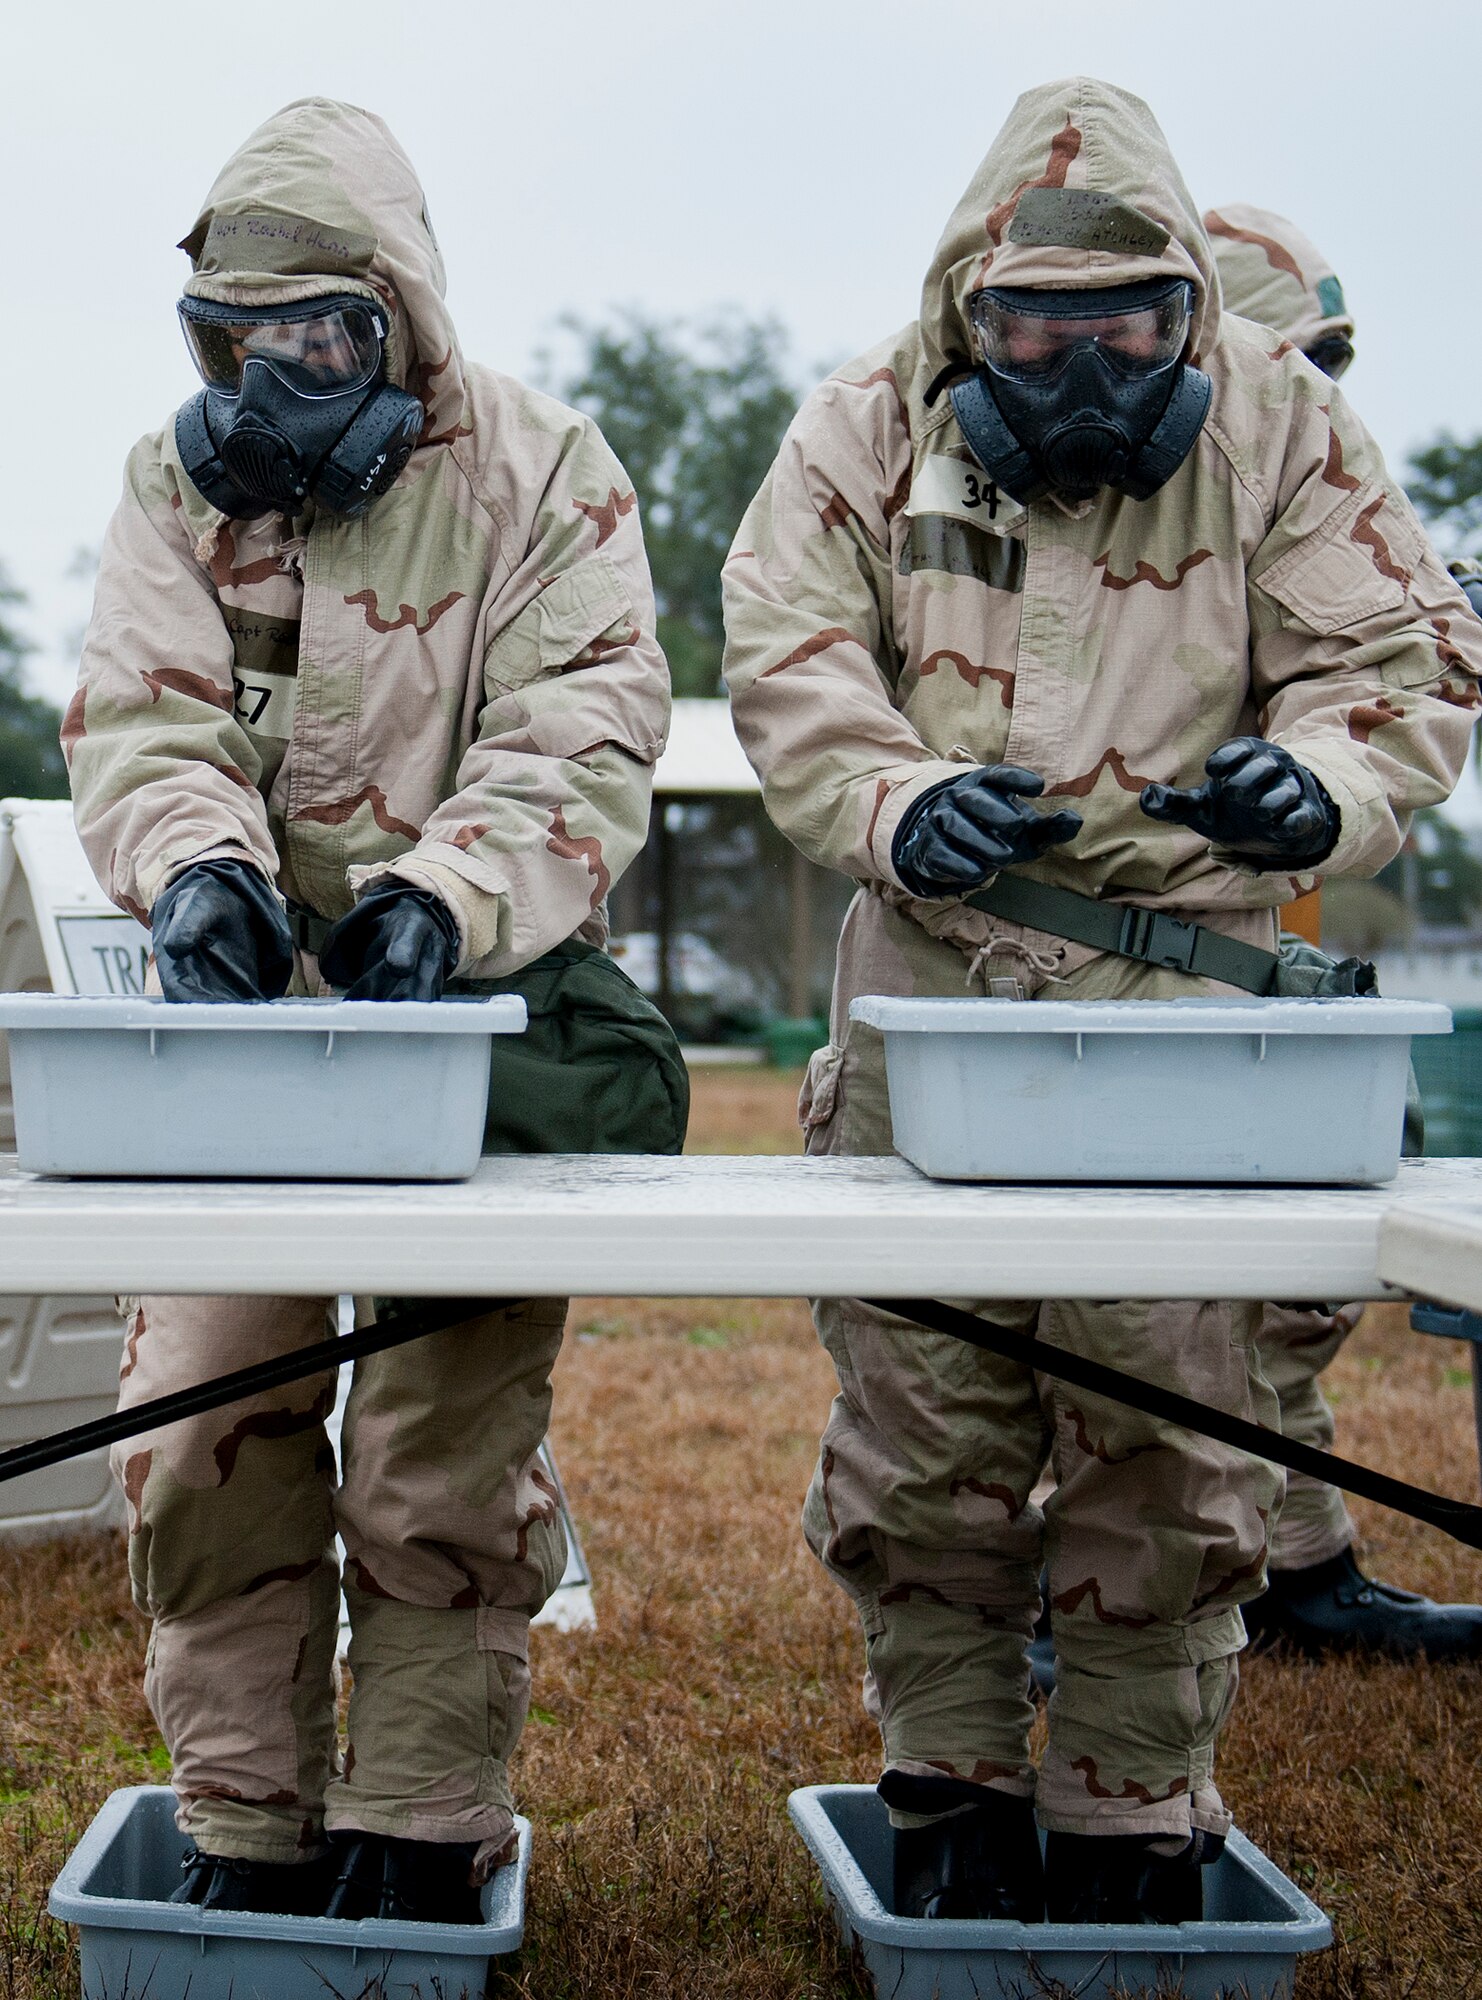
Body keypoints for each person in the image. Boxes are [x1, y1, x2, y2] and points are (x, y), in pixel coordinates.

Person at [722, 76, 1482, 1925]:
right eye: (1032, 325)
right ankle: (951, 1807)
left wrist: (1327, 780)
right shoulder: (863, 429)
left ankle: (1137, 1816)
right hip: (933, 989)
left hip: (1179, 1010)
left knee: (1176, 1423)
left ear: (1185, 314)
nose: (1076, 361)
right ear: (968, 308)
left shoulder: (1286, 430)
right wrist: (902, 800)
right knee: (926, 1428)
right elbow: (786, 651)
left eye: (1125, 322)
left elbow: (1395, 657)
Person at [66, 99, 669, 1922]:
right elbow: (142, 714)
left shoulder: (545, 471)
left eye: (321, 333)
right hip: (241, 1066)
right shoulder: (175, 488)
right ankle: (245, 1835)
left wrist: (446, 897)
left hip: (460, 1030)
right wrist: (190, 866)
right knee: (198, 1430)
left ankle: (419, 1836)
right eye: (237, 342)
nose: (278, 375)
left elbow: (587, 720)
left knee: (436, 1456)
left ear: (398, 315)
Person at [1205, 203, 1482, 1661]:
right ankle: (1074, 1583)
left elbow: (1395, 670)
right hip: (1138, 957)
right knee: (1134, 1299)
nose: (1322, 386)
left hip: (1279, 947)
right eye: (1299, 355)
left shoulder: (1318, 482)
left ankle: (1295, 1568)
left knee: (1290, 1285)